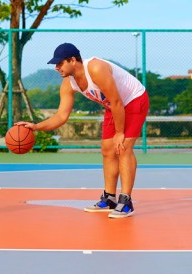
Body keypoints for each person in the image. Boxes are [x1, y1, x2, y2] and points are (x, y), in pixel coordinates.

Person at [16, 43, 149, 219]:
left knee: (122, 147)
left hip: (133, 100)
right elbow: (61, 116)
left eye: (60, 63)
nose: (57, 68)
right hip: (113, 106)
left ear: (73, 60)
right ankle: (109, 199)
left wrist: (119, 133)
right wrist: (35, 126)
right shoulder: (68, 84)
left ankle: (126, 202)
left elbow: (117, 101)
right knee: (107, 150)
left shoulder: (95, 68)